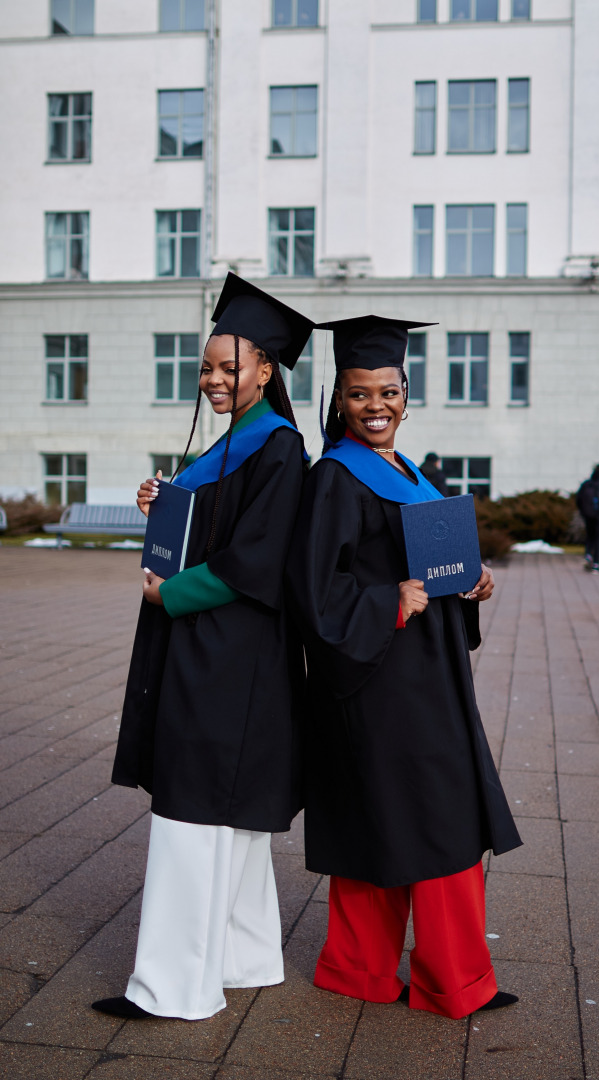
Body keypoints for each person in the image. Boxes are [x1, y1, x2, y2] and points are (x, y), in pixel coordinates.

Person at [286, 315, 522, 1021]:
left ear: (406, 393)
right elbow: (310, 588)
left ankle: (357, 969)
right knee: (431, 816)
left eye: (387, 391)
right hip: (377, 680)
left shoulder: (409, 471)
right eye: (358, 395)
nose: (375, 405)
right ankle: (450, 981)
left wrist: (471, 582)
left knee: (386, 814)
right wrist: (386, 600)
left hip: (426, 674)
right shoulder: (333, 478)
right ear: (338, 402)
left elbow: (432, 563)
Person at [92, 274, 313, 1021]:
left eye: (230, 367)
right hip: (226, 653)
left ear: (265, 369)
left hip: (227, 651)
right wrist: (167, 502)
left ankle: (172, 988)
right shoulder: (239, 443)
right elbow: (214, 528)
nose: (215, 379)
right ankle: (244, 958)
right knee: (235, 817)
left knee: (191, 814)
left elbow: (257, 558)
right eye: (207, 368)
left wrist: (171, 594)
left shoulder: (276, 447)